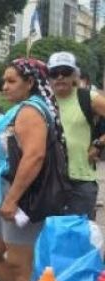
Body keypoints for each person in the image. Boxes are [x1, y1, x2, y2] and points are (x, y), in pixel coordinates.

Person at [0, 58, 58, 281]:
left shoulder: (31, 110)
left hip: (21, 197)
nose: (5, 86)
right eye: (4, 80)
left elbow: (34, 156)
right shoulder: (25, 108)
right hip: (7, 193)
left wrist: (12, 199)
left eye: (12, 81)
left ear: (30, 82)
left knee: (20, 267)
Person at [47, 51, 101, 219]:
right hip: (49, 181)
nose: (60, 77)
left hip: (81, 181)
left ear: (75, 75)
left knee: (79, 238)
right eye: (55, 73)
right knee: (51, 238)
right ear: (48, 77)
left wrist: (99, 143)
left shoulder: (87, 98)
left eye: (66, 71)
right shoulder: (44, 101)